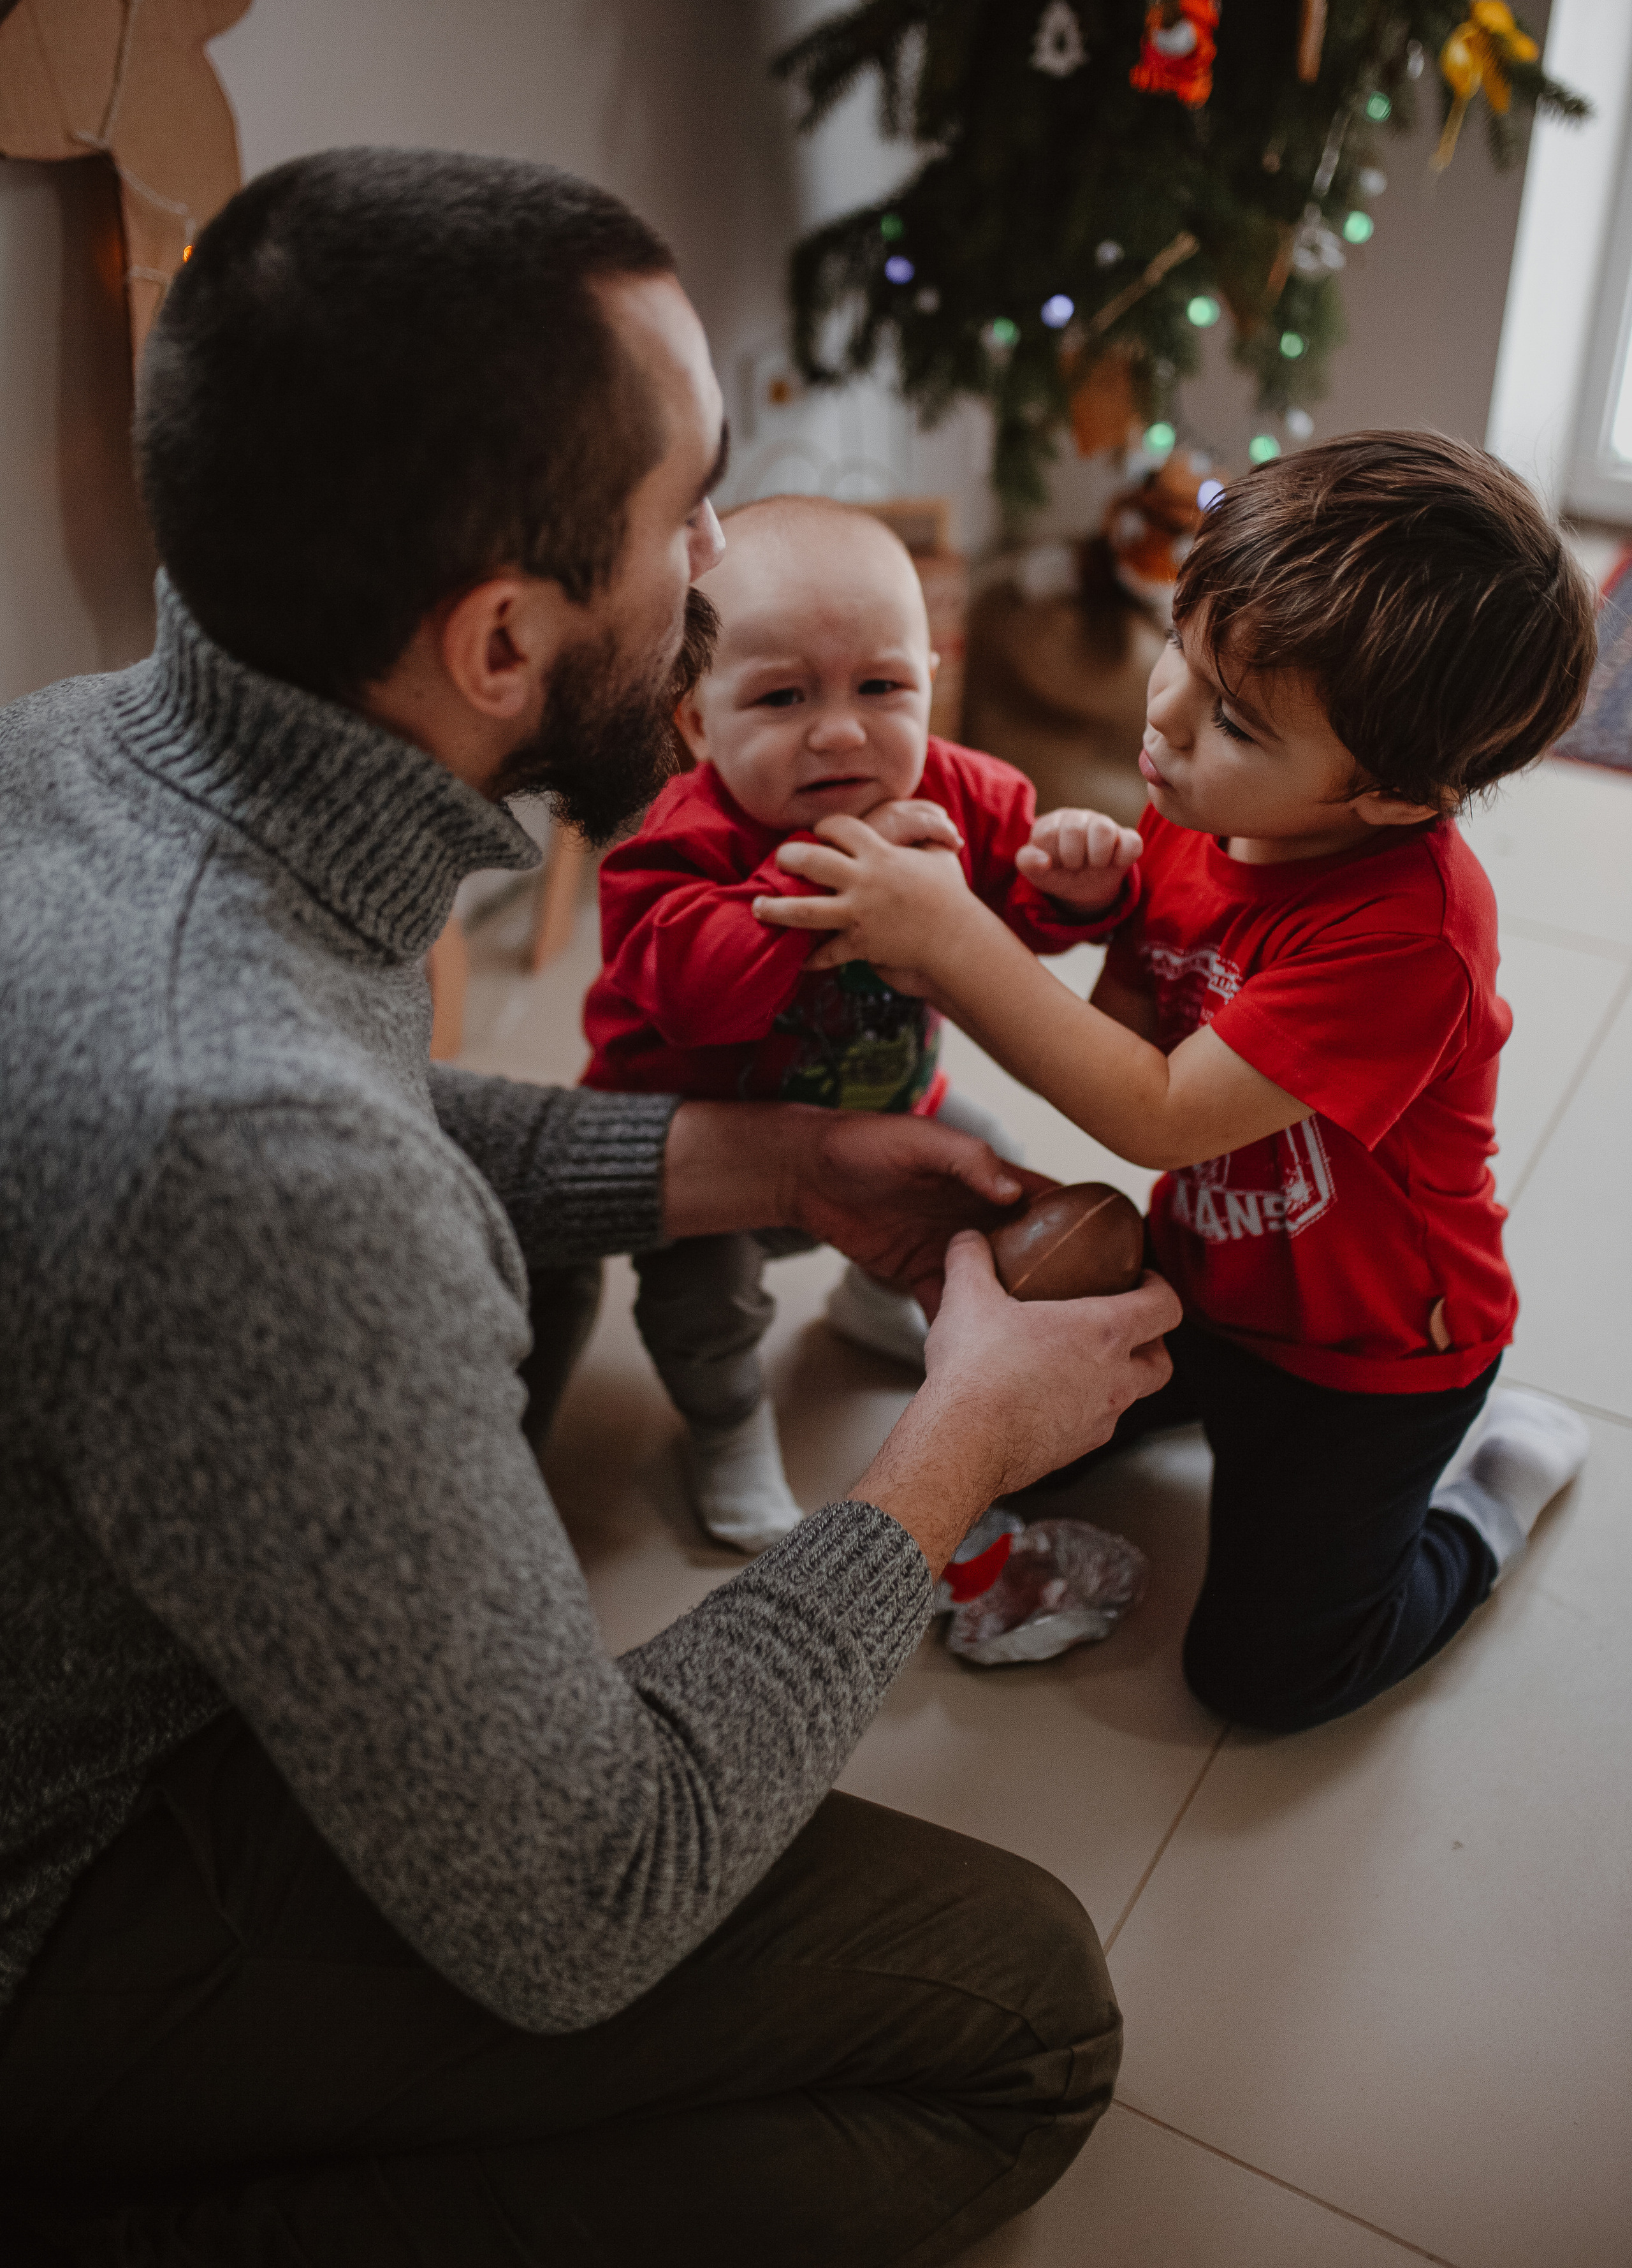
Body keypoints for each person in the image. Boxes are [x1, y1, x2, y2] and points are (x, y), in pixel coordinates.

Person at [0, 149, 1183, 2268]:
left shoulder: (96, 757)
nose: (723, 572)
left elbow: (351, 1108)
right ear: (502, 638)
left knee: (524, 1284)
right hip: (59, 1892)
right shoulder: (258, 1175)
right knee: (1015, 2022)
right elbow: (585, 1899)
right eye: (685, 522)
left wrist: (768, 1159)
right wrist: (949, 1462)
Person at [754, 430, 1598, 1734]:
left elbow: (1149, 1108)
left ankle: (1482, 1502)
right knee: (1011, 1461)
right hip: (1208, 1280)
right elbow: (1132, 1021)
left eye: (1234, 721)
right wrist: (1099, 907)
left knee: (1261, 1683)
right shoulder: (1200, 801)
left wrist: (951, 943)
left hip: (1364, 1360)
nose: (1163, 718)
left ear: (1391, 796)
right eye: (1181, 650)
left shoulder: (1407, 936)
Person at [581, 494, 1138, 1552]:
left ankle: (879, 1303)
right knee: (705, 1302)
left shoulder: (964, 793)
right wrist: (851, 877)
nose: (841, 730)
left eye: (882, 687)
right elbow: (696, 993)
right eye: (783, 697)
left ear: (934, 674)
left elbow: (1023, 917)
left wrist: (1077, 886)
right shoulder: (676, 839)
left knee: (995, 1175)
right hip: (710, 1155)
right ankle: (728, 1422)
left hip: (892, 1109)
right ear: (698, 720)